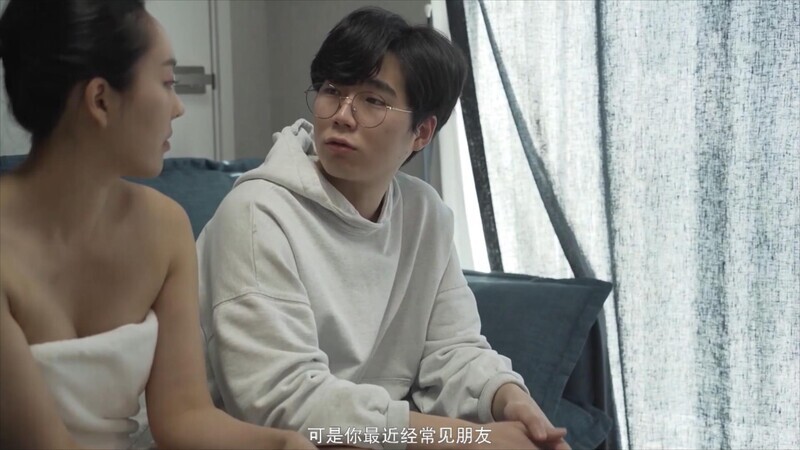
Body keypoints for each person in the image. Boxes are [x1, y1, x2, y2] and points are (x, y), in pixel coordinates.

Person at [197, 6, 568, 450]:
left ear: (422, 132)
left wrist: (509, 400)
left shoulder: (424, 215)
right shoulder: (257, 215)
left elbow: (452, 352)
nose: (342, 115)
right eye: (332, 91)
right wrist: (471, 440)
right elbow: (282, 404)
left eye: (373, 100)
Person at [0, 1, 315, 449]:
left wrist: (283, 443)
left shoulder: (164, 226)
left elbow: (183, 415)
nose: (178, 108)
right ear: (101, 99)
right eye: (167, 82)